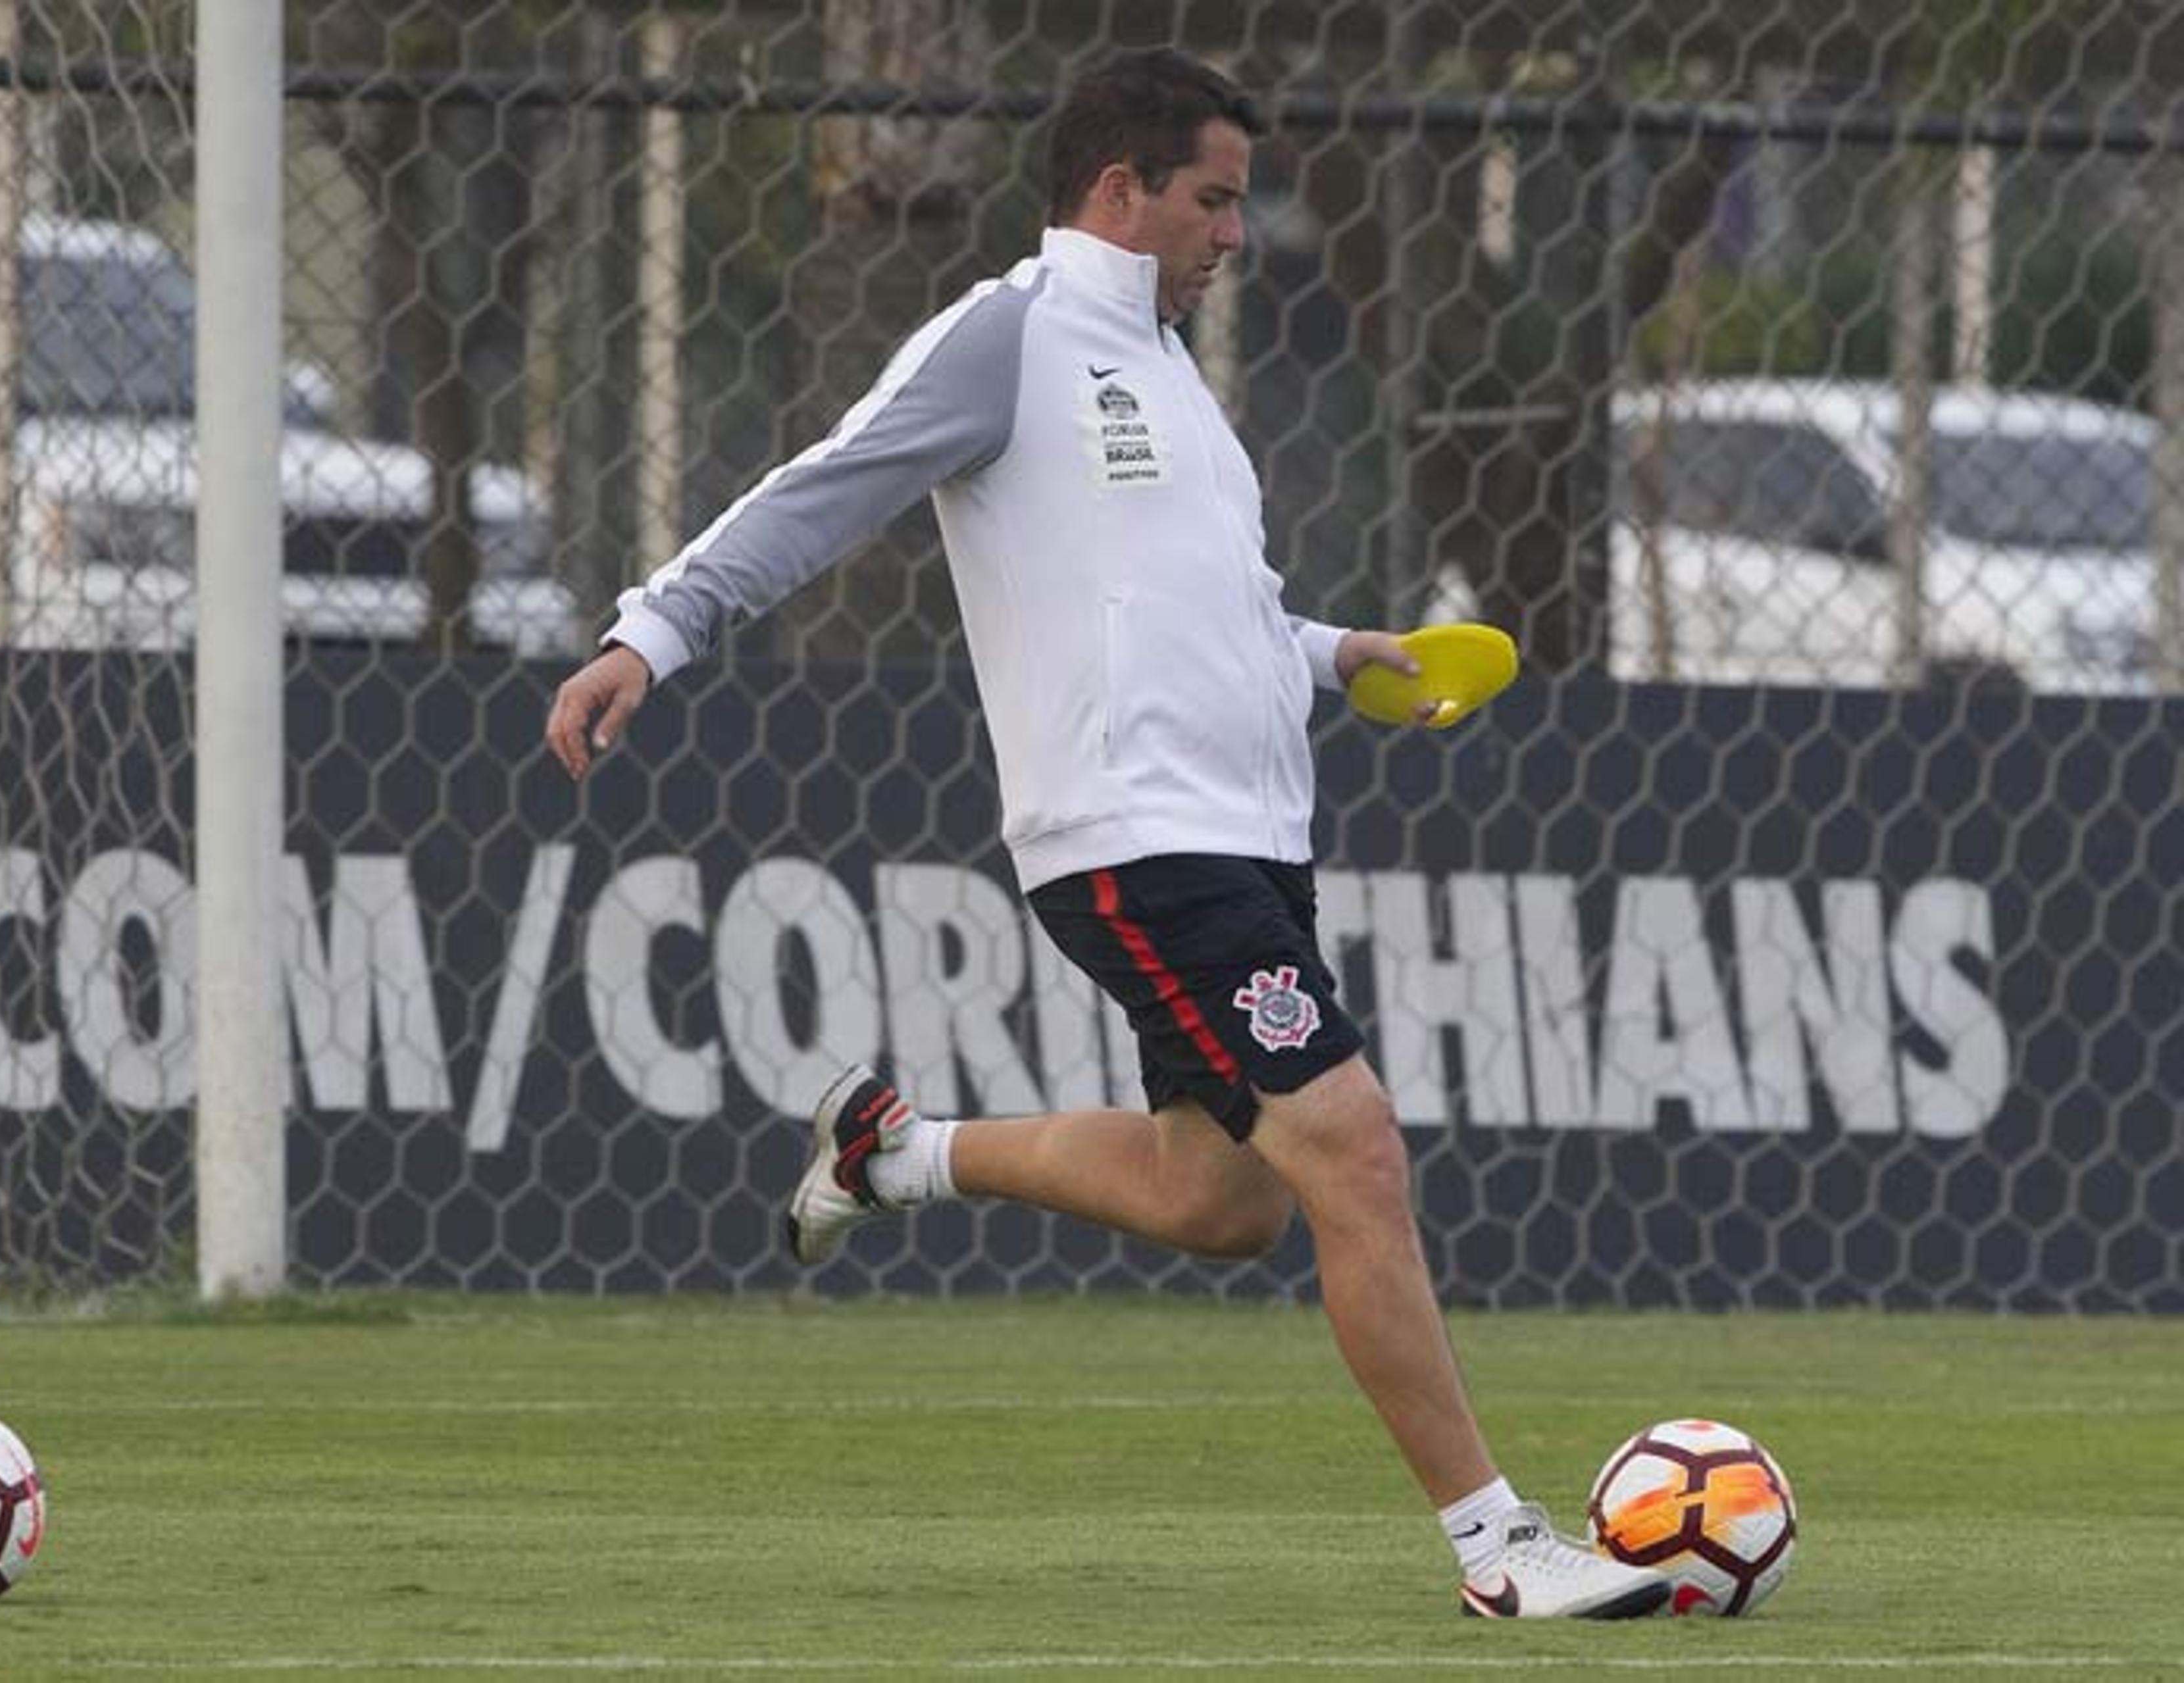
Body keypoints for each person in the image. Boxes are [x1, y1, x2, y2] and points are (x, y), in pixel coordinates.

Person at [545, 46, 1667, 1622]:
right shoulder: (1015, 334)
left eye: (1239, 203)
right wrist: (646, 637)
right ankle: (1497, 1546)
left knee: (1227, 1201)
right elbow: (828, 485)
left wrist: (1344, 656)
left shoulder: (1179, 388)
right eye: (1212, 199)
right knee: (1354, 1147)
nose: (1231, 232)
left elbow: (1212, 618)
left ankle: (897, 1151)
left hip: (1251, 838)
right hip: (1141, 843)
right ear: (1119, 190)